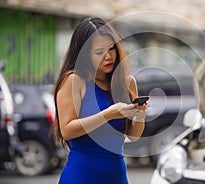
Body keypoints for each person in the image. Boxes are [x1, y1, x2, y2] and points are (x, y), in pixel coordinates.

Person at [52, 17, 147, 184]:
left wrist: (139, 115)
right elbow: (67, 130)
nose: (108, 56)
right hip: (81, 176)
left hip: (117, 175)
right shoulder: (74, 81)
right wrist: (108, 114)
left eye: (112, 49)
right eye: (99, 52)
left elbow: (133, 135)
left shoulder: (126, 82)